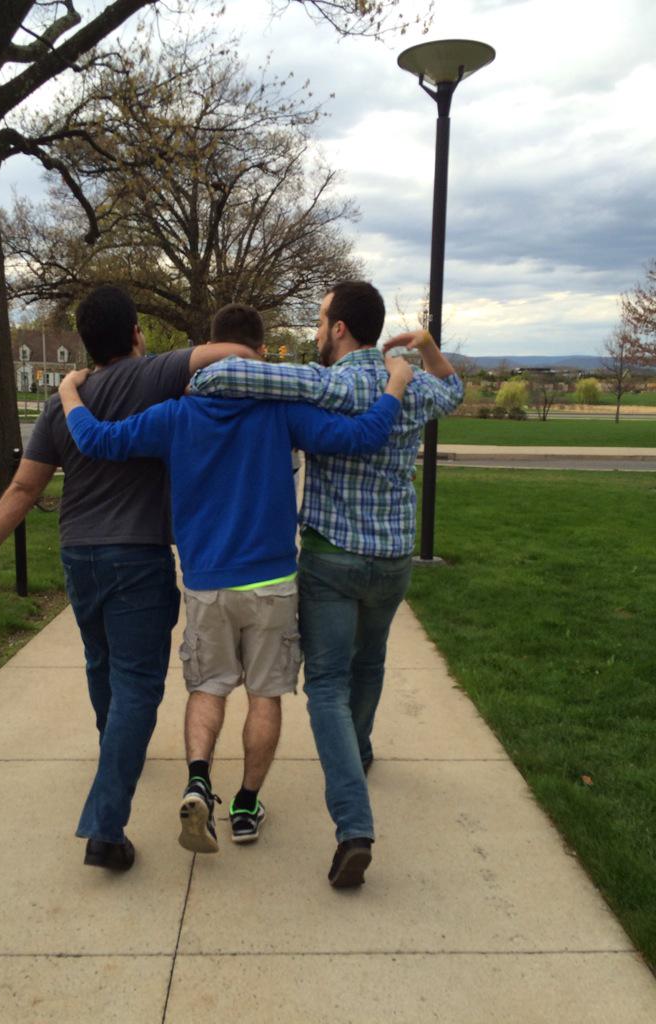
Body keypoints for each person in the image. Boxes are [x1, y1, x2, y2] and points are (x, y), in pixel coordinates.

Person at [57, 308, 414, 856]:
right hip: (272, 581)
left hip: (206, 583)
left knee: (207, 688)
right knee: (265, 696)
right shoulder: (280, 413)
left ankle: (200, 779)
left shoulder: (175, 415)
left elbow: (100, 441)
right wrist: (394, 386)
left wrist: (69, 396)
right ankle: (247, 803)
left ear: (211, 347)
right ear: (257, 350)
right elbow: (363, 436)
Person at [0, 285, 263, 872]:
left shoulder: (62, 403)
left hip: (79, 557)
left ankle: (114, 754)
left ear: (85, 344)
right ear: (136, 333)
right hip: (137, 560)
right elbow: (235, 354)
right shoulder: (155, 373)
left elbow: (25, 486)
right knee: (139, 686)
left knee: (101, 666)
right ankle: (105, 827)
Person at [188, 280, 464, 887]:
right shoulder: (411, 384)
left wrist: (207, 365)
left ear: (338, 328)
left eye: (319, 320)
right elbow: (454, 391)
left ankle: (354, 827)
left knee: (329, 688)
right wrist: (427, 348)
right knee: (370, 664)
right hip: (392, 559)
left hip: (332, 560)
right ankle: (356, 752)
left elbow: (221, 380)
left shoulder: (330, 384)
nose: (316, 330)